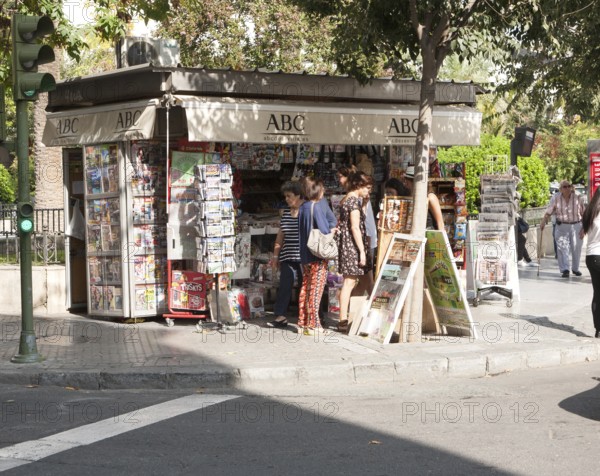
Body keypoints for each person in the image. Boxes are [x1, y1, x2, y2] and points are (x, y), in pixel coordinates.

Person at [298, 177, 337, 335]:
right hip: (317, 255)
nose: (324, 192)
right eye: (322, 189)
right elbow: (324, 230)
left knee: (306, 288)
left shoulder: (303, 207)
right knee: (316, 290)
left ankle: (303, 322)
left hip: (305, 254)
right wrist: (333, 231)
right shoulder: (316, 208)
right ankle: (314, 325)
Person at [337, 172, 374, 333]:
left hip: (350, 245)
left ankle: (365, 315)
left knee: (366, 282)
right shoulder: (352, 201)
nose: (368, 192)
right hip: (352, 247)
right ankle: (343, 320)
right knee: (350, 282)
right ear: (359, 186)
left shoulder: (348, 199)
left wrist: (364, 204)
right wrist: (362, 252)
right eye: (367, 188)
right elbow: (354, 227)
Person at [268, 181, 304, 328]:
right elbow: (280, 236)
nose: (287, 199)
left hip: (304, 257)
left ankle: (308, 315)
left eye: (289, 196)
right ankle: (280, 315)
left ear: (298, 195)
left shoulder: (306, 211)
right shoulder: (286, 213)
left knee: (306, 286)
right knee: (284, 285)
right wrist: (275, 257)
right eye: (286, 197)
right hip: (288, 255)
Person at [541, 179, 586, 277]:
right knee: (562, 248)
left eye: (569, 186)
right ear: (560, 189)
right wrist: (543, 221)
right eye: (565, 187)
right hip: (562, 226)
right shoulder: (556, 198)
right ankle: (565, 269)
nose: (567, 188)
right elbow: (549, 211)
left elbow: (584, 214)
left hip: (576, 225)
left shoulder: (578, 198)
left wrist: (584, 229)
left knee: (576, 248)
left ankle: (575, 268)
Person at [401, 166, 445, 231]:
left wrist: (442, 239)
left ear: (413, 181)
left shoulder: (430, 197)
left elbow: (440, 223)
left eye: (407, 181)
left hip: (429, 235)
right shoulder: (410, 196)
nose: (405, 184)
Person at [581, 188, 600, 338]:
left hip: (590, 256)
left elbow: (583, 233)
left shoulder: (590, 212)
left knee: (597, 292)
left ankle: (598, 328)